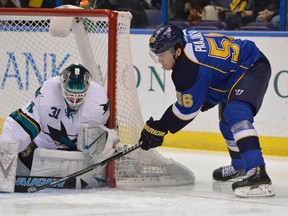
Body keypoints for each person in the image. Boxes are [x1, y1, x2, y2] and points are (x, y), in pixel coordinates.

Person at [139, 24, 275, 197]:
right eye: (157, 55)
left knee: (236, 112)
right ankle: (240, 165)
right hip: (234, 70)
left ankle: (257, 173)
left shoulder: (188, 68)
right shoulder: (183, 39)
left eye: (163, 55)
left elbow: (186, 111)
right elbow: (212, 66)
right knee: (226, 121)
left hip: (252, 65)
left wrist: (162, 126)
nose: (160, 60)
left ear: (177, 51)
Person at [0, 64, 119, 192]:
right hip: (41, 148)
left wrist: (104, 150)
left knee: (105, 139)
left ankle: (96, 174)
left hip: (76, 156)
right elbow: (22, 124)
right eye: (69, 94)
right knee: (18, 143)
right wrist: (6, 152)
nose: (74, 100)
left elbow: (99, 138)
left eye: (79, 96)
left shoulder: (98, 102)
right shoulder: (47, 93)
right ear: (61, 85)